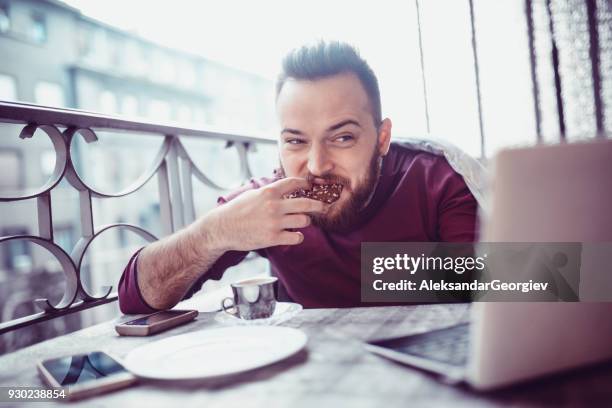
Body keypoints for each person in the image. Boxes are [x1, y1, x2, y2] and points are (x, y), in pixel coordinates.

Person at [118, 41, 478, 313]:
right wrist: (215, 233)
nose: (317, 165)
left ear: (381, 138)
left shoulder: (437, 182)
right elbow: (135, 297)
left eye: (342, 138)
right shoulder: (266, 202)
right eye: (295, 141)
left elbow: (493, 296)